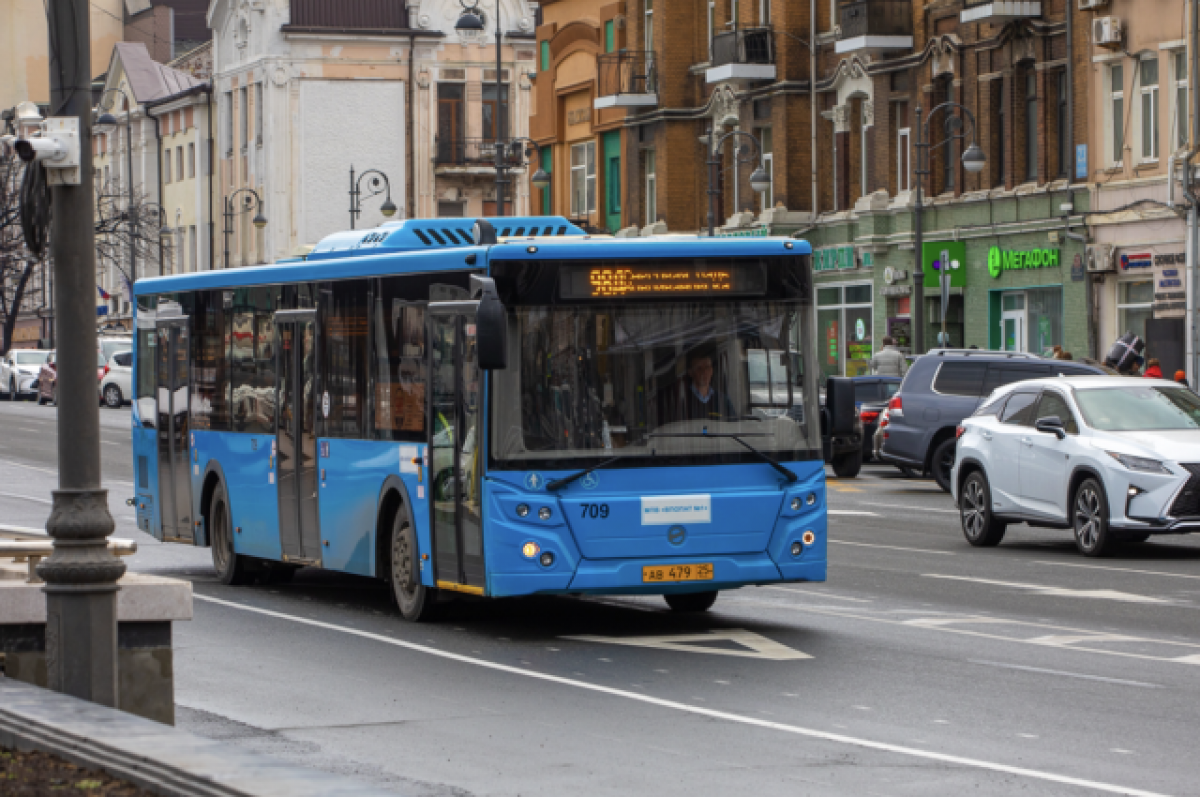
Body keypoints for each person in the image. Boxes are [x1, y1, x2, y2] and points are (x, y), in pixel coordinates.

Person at [676, 349, 733, 421]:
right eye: (699, 368)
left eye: (707, 367)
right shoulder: (682, 401)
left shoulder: (723, 401)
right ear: (690, 372)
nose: (704, 372)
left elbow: (734, 426)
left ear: (712, 370)